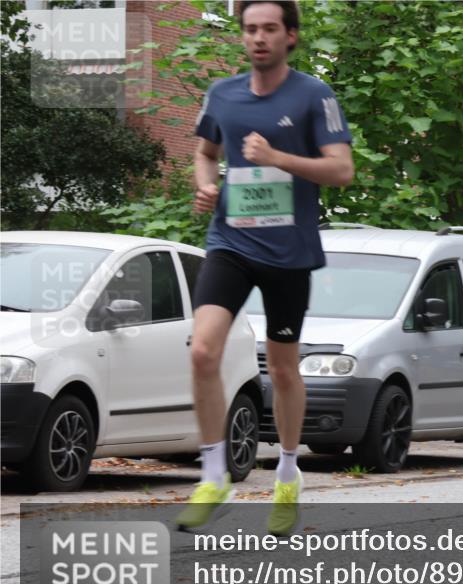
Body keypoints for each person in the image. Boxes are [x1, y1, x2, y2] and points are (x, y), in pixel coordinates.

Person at [176, 0, 354, 535]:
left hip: (288, 253)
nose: (258, 37)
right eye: (250, 29)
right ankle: (214, 476)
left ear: (290, 36)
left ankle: (287, 475)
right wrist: (206, 185)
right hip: (230, 242)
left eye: (270, 29)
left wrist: (278, 159)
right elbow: (205, 152)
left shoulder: (314, 95)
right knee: (203, 350)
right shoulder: (222, 94)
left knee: (281, 369)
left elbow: (342, 169)